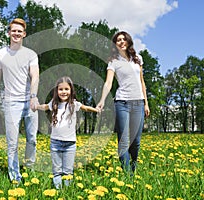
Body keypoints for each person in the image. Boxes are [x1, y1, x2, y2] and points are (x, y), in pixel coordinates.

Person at [0, 18, 39, 184]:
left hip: (30, 101)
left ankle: (29, 167)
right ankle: (15, 177)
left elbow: (35, 76)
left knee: (32, 138)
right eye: (13, 30)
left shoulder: (30, 54)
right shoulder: (0, 54)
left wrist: (33, 96)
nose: (16, 33)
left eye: (19, 31)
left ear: (24, 34)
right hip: (10, 103)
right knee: (12, 142)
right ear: (9, 33)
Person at [96, 31, 150, 174]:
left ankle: (133, 165)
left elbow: (142, 82)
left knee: (136, 142)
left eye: (123, 39)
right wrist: (102, 100)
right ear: (115, 44)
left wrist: (146, 103)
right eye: (118, 40)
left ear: (128, 41)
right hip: (122, 103)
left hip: (138, 103)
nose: (121, 42)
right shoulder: (113, 62)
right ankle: (128, 175)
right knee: (124, 141)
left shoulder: (138, 59)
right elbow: (108, 83)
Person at [37, 76, 99, 189]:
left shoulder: (73, 104)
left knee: (68, 171)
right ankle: (58, 190)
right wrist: (36, 106)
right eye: (61, 89)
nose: (64, 92)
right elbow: (45, 107)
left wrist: (96, 110)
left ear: (71, 91)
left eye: (66, 89)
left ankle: (67, 192)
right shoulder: (53, 104)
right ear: (56, 91)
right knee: (56, 171)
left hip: (70, 144)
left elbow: (85, 108)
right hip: (55, 143)